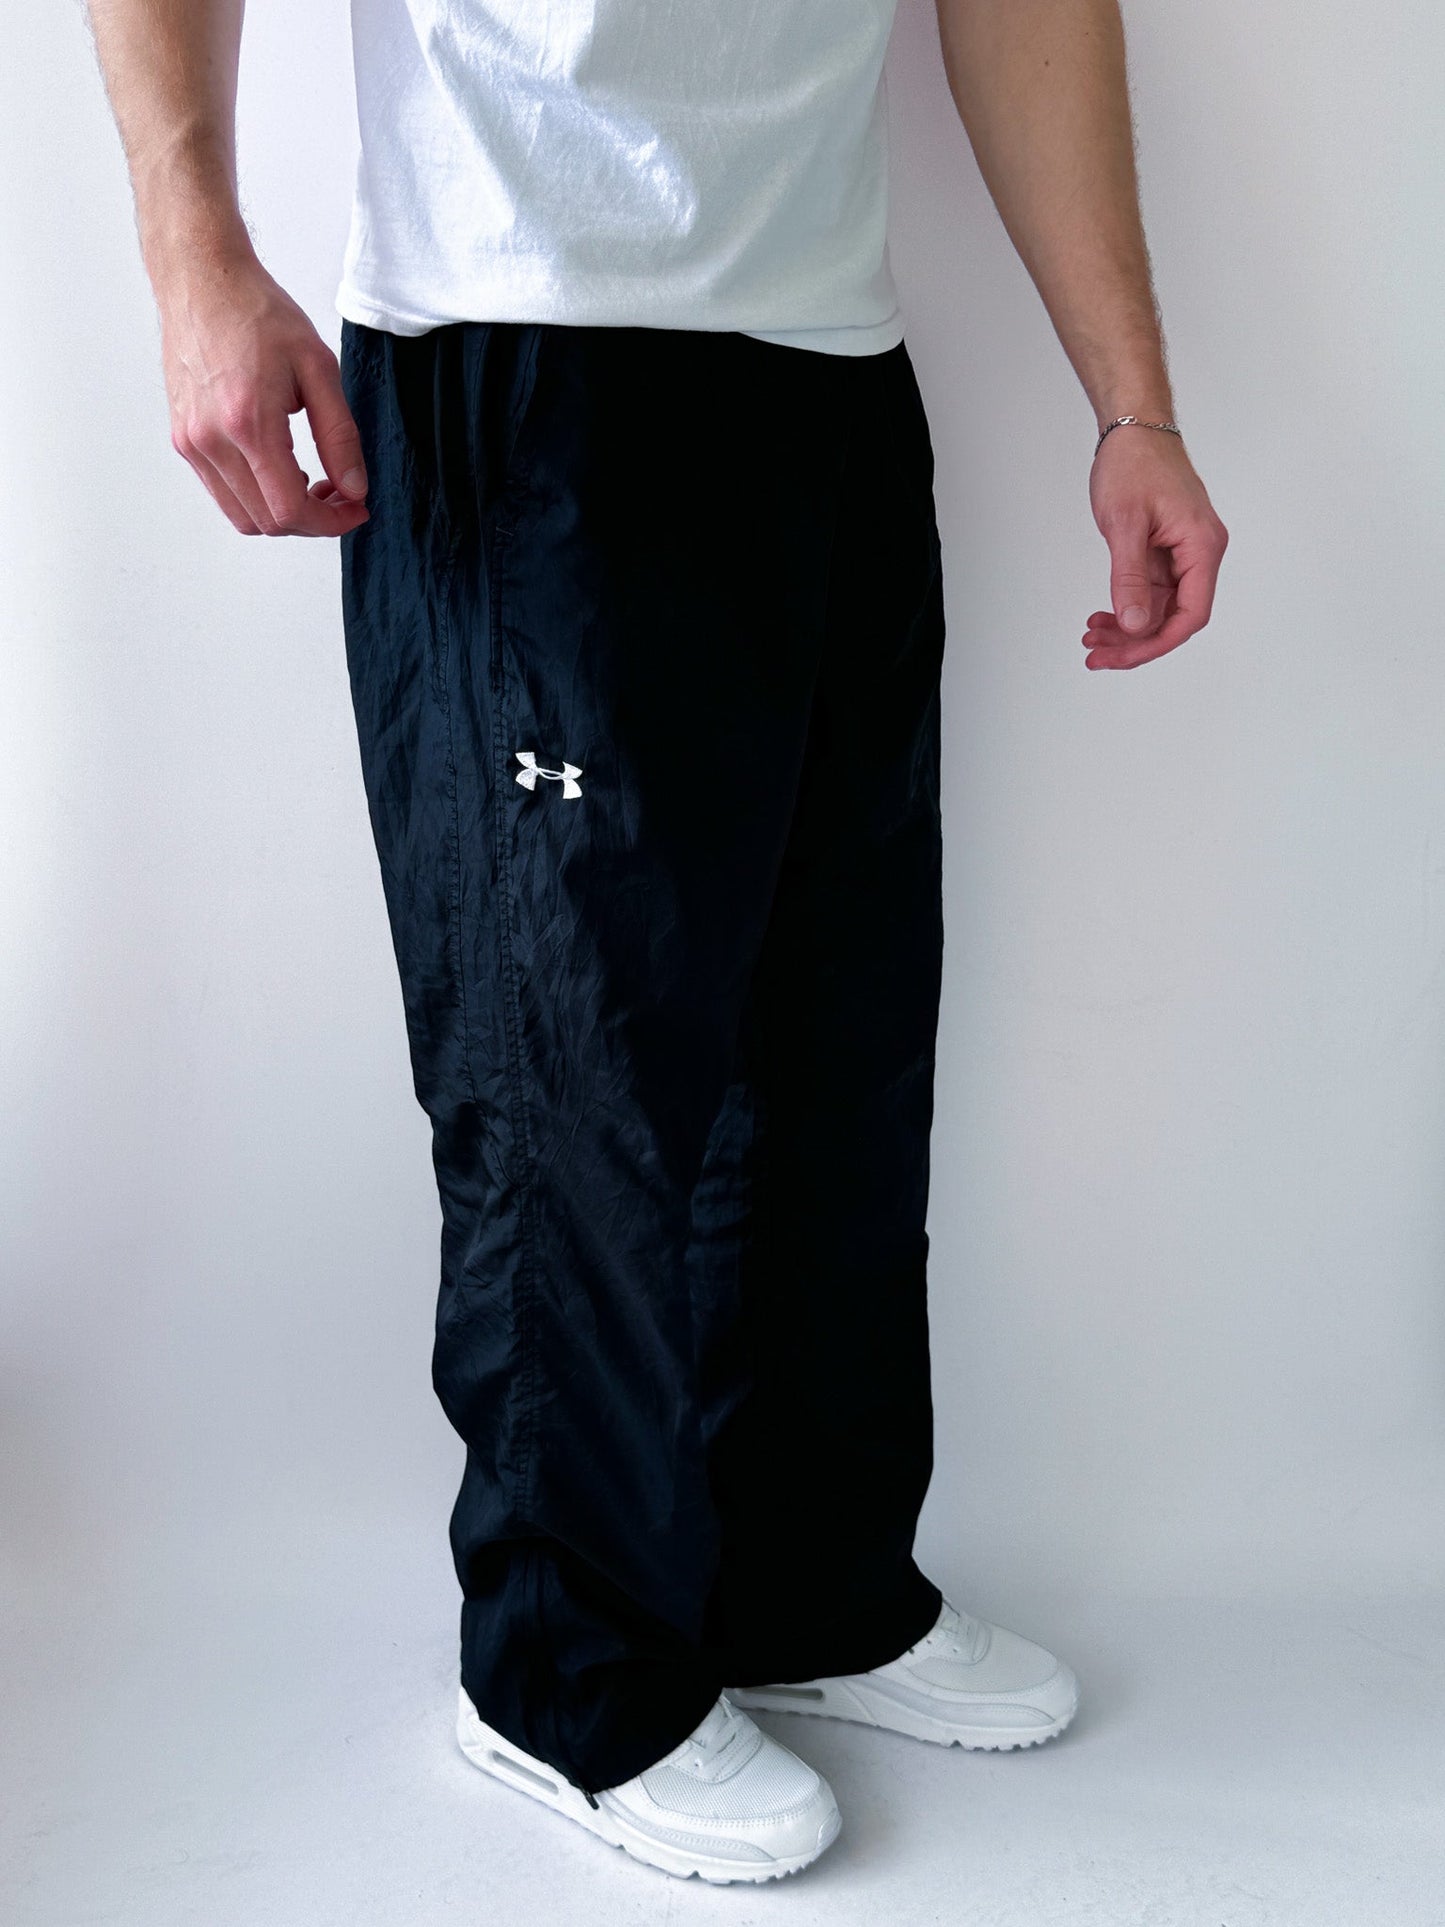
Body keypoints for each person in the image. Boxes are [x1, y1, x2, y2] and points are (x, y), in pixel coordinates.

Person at [87, 0, 1228, 1886]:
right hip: (522, 339)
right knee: (572, 1059)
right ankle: (566, 1667)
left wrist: (1132, 404)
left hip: (826, 359)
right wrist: (192, 251)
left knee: (833, 1041)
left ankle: (802, 1587)